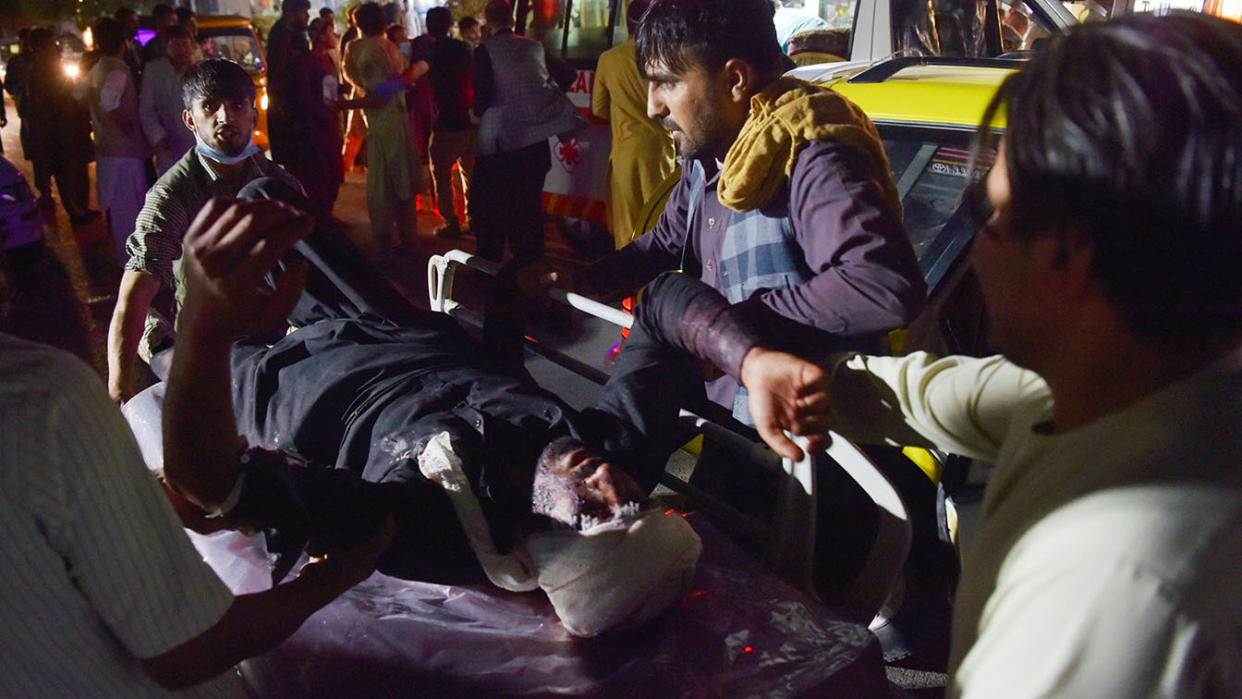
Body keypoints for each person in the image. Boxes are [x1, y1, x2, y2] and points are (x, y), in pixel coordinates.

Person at [160, 179, 837, 637]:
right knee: (265, 198)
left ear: (540, 545)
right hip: (397, 329)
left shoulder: (424, 517)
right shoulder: (611, 452)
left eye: (596, 513)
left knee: (198, 280)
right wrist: (751, 359)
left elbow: (217, 485)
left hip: (302, 380)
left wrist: (200, 325)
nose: (607, 481)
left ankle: (158, 280)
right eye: (632, 497)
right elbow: (662, 302)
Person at [796, 12, 1242, 695]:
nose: (976, 246)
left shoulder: (1106, 581)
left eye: (988, 213)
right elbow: (936, 393)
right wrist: (807, 376)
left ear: (1066, 252)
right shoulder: (1136, 393)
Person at [0, 230, 390, 697]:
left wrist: (146, 498)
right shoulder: (43, 398)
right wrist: (332, 578)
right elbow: (189, 648)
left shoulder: (43, 407)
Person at [572, 0, 924, 426]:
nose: (653, 107)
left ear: (735, 79)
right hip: (732, 418)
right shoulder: (710, 157)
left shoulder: (810, 152)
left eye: (666, 84)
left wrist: (729, 327)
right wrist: (585, 281)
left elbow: (880, 284)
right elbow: (666, 241)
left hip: (808, 441)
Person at [106, 58, 302, 404]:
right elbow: (133, 296)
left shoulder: (280, 184)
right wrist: (119, 391)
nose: (226, 117)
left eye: (237, 104)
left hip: (278, 330)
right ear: (189, 119)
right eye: (210, 106)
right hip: (209, 339)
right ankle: (158, 344)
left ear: (253, 115)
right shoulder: (172, 195)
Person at [470, 0, 585, 264]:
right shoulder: (534, 47)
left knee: (491, 207)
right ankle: (529, 264)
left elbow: (482, 98)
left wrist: (474, 115)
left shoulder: (485, 51)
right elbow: (568, 75)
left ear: (489, 22)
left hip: (499, 149)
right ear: (511, 19)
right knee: (528, 208)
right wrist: (539, 100)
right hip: (534, 147)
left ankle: (490, 264)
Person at [342, 1, 428, 254]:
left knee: (383, 187)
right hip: (395, 121)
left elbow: (380, 94)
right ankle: (407, 239)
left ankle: (384, 240)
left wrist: (345, 105)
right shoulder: (386, 46)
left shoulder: (365, 50)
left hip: (384, 123)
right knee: (401, 184)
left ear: (358, 24)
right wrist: (410, 75)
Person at [591, 0, 676, 248]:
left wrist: (624, 117)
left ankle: (630, 284)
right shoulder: (664, 56)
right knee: (660, 224)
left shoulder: (609, 59)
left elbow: (598, 108)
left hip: (626, 152)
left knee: (627, 229)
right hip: (661, 151)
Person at [82, 16, 151, 263]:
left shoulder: (97, 67)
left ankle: (129, 260)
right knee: (129, 209)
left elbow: (78, 93)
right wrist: (129, 128)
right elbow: (109, 102)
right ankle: (133, 262)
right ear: (122, 43)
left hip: (106, 149)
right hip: (124, 152)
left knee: (119, 209)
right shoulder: (118, 69)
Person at [23, 28, 98, 228]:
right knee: (66, 173)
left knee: (78, 171)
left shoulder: (55, 68)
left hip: (72, 129)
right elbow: (42, 109)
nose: (55, 48)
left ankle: (82, 208)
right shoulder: (38, 73)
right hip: (59, 134)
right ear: (39, 48)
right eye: (50, 44)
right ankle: (76, 211)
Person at [423, 6, 476, 239]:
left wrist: (382, 90)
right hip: (472, 118)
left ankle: (451, 222)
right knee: (471, 173)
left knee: (441, 174)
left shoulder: (429, 52)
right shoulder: (466, 48)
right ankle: (475, 220)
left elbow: (413, 78)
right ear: (451, 25)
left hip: (446, 120)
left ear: (428, 27)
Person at [296, 17, 346, 220]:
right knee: (320, 176)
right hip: (317, 128)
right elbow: (305, 96)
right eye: (332, 32)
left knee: (334, 173)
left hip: (331, 124)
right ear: (321, 36)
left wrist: (342, 89)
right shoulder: (307, 61)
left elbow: (328, 87)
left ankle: (328, 216)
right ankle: (320, 221)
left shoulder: (328, 59)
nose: (335, 36)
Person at [140, 24, 198, 175]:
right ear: (167, 47)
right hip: (168, 148)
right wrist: (158, 137)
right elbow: (147, 110)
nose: (181, 50)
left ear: (192, 46)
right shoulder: (154, 71)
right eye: (176, 45)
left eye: (185, 44)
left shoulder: (202, 71)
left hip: (197, 144)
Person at [3, 28, 50, 208]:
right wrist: (22, 94)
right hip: (31, 114)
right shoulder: (19, 62)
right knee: (38, 155)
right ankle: (45, 192)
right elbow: (10, 86)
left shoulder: (44, 61)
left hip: (48, 114)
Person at [266, 0, 313, 178]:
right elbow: (278, 70)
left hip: (295, 105)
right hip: (288, 108)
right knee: (295, 163)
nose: (307, 16)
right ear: (290, 13)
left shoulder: (296, 34)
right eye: (303, 12)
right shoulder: (282, 35)